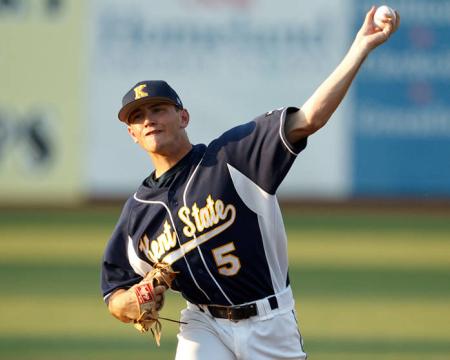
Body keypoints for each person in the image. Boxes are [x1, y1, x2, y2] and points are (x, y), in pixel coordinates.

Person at [101, 7, 400, 360]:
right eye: (138, 117)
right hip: (203, 324)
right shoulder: (138, 212)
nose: (149, 120)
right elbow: (115, 296)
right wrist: (134, 302)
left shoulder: (233, 158)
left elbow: (310, 118)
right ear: (132, 134)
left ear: (183, 117)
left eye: (158, 109)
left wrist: (360, 48)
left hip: (270, 322)